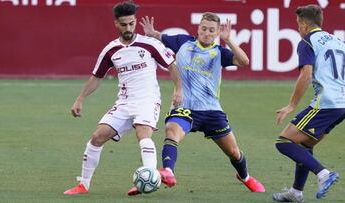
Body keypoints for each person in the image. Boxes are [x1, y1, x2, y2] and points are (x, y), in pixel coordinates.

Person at [63, 1, 183, 196]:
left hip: (148, 99)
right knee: (97, 137)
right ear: (116, 24)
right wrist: (80, 99)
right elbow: (97, 77)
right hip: (124, 102)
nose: (129, 28)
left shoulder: (150, 44)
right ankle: (83, 185)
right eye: (124, 24)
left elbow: (172, 66)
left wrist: (179, 89)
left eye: (132, 23)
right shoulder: (110, 50)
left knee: (143, 133)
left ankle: (150, 177)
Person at [138, 12, 265, 193]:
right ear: (198, 29)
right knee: (171, 132)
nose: (207, 33)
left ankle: (245, 177)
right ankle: (168, 171)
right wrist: (152, 33)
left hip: (211, 111)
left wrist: (228, 40)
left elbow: (244, 61)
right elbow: (160, 37)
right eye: (204, 29)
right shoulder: (183, 42)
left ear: (217, 33)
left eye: (211, 30)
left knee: (234, 152)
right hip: (185, 107)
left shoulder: (219, 53)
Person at [272, 4, 345, 202]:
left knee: (284, 141)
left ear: (304, 24)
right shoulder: (338, 41)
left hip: (326, 102)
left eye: (298, 24)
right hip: (341, 104)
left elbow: (306, 73)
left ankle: (323, 174)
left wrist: (291, 105)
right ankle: (296, 193)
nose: (297, 28)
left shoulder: (308, 41)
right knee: (304, 144)